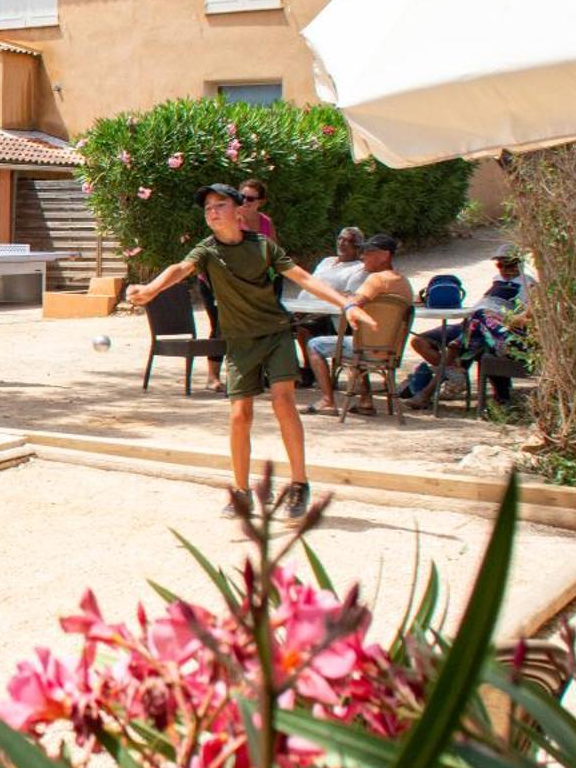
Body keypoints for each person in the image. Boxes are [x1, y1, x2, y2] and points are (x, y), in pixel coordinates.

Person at [126, 183, 373, 520]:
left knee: (283, 402)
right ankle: (241, 492)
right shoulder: (207, 251)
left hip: (275, 334)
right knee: (239, 415)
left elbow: (303, 278)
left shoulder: (263, 246)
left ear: (239, 210)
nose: (213, 212)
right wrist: (151, 289)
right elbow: (180, 269)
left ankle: (299, 484)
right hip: (240, 342)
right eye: (208, 207)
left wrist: (346, 305)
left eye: (220, 205)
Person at [403, 243, 536, 409]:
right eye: (499, 264)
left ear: (518, 263)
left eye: (507, 264)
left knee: (466, 340)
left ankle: (429, 391)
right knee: (420, 341)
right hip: (472, 323)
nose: (502, 269)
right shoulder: (498, 279)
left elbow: (526, 317)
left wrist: (503, 318)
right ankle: (453, 370)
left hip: (494, 328)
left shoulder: (526, 284)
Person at [304, 234, 410, 416]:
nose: (362, 257)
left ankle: (327, 401)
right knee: (356, 340)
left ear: (385, 255)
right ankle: (365, 401)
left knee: (315, 345)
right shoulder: (403, 282)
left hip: (366, 348)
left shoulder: (377, 280)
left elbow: (353, 303)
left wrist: (346, 298)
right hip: (392, 349)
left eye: (368, 252)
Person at [294, 227, 368, 380]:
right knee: (275, 325)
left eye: (349, 241)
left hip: (331, 316)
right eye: (340, 239)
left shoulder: (358, 268)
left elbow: (349, 296)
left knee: (303, 326)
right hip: (303, 308)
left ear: (358, 247)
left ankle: (310, 370)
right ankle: (289, 371)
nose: (342, 243)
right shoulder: (326, 261)